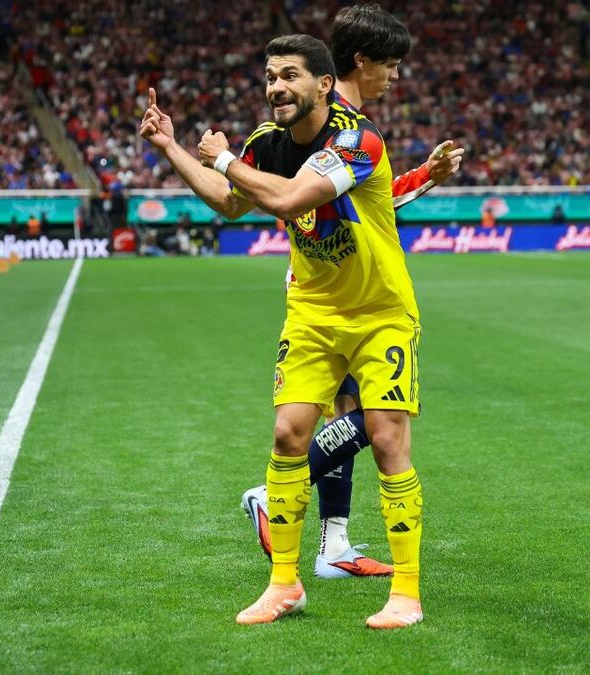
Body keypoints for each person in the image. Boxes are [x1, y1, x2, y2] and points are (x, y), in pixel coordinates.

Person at [142, 34, 427, 629]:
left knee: (385, 438)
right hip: (312, 312)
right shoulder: (266, 143)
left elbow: (293, 198)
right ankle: (284, 585)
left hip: (379, 313)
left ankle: (405, 594)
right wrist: (171, 147)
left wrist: (224, 159)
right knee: (288, 434)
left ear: (324, 83)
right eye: (271, 76)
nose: (276, 87)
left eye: (290, 75)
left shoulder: (357, 139)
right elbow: (229, 202)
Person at [237, 2, 462, 581]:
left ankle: (333, 543)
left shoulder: (343, 123)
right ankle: (275, 495)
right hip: (335, 293)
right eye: (390, 64)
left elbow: (364, 202)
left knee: (349, 411)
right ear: (361, 62)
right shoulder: (333, 123)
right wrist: (215, 163)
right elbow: (309, 199)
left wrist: (425, 177)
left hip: (333, 287)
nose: (395, 76)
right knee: (369, 417)